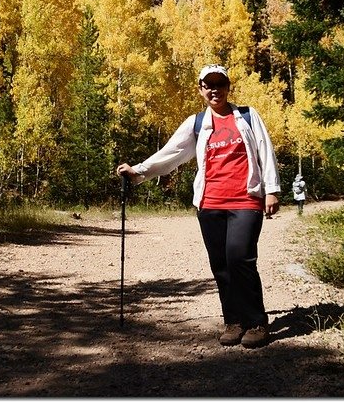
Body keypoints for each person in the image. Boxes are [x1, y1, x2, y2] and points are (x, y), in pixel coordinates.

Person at [116, 64, 281, 348]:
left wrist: (272, 190)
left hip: (246, 200)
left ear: (229, 87)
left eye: (220, 83)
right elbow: (172, 152)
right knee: (221, 265)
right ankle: (233, 321)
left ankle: (256, 322)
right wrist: (139, 171)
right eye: (209, 85)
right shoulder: (197, 123)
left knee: (240, 258)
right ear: (201, 89)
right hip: (210, 202)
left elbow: (265, 151)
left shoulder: (247, 116)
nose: (214, 89)